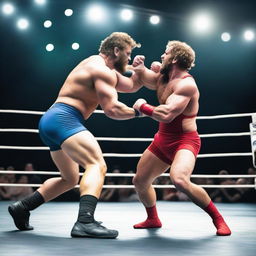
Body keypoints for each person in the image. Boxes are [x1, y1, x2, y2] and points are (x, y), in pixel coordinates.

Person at [8, 32, 141, 238]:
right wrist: (141, 111)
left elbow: (131, 85)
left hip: (52, 120)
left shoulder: (95, 63)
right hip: (64, 119)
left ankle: (22, 207)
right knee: (97, 165)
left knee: (69, 179)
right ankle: (85, 221)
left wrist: (144, 71)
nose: (130, 58)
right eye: (128, 53)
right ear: (116, 50)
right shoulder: (101, 70)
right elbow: (113, 109)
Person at [132, 40, 231, 236]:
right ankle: (153, 218)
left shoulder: (187, 85)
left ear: (175, 58)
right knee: (140, 181)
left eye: (166, 53)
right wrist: (139, 67)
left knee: (179, 179)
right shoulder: (163, 78)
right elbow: (146, 79)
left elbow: (167, 114)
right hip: (163, 139)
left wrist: (142, 106)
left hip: (185, 140)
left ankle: (218, 219)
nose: (162, 56)